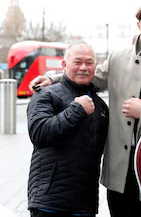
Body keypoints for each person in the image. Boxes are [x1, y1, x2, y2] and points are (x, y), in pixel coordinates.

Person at [29, 0, 141, 217]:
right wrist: (52, 78)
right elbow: (89, 77)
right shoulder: (118, 57)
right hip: (122, 171)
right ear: (139, 25)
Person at [27, 42, 109, 217]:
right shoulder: (46, 94)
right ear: (64, 65)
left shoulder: (100, 106)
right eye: (77, 62)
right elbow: (39, 134)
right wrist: (76, 110)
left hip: (85, 204)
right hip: (50, 203)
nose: (83, 68)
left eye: (89, 63)